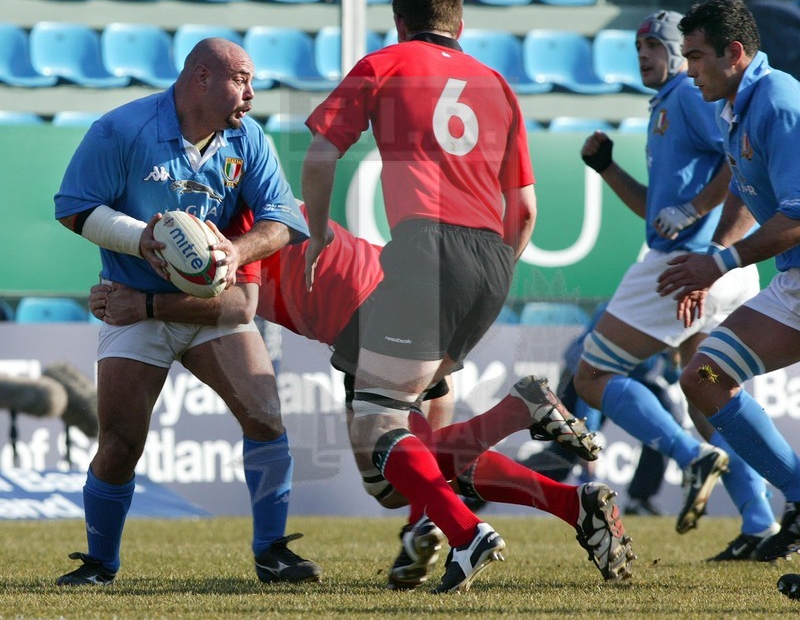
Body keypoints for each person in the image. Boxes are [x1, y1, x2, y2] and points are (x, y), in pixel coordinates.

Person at [300, 0, 634, 593]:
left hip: (425, 255)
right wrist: (492, 269)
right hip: (490, 265)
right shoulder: (498, 84)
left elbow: (320, 154)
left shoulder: (383, 64)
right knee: (400, 459)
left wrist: (317, 235)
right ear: (460, 24)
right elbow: (525, 211)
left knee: (378, 430)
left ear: (399, 22)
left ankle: (480, 498)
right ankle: (572, 502)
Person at [90, 206, 627, 588]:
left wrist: (138, 302)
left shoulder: (226, 227)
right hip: (396, 294)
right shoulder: (257, 203)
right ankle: (570, 503)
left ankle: (515, 418)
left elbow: (227, 304)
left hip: (367, 313)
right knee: (416, 463)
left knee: (386, 477)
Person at [52, 38, 320, 586]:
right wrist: (140, 239)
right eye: (241, 79)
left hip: (211, 311)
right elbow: (74, 207)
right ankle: (100, 563)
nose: (252, 93)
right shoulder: (122, 129)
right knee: (120, 444)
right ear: (201, 77)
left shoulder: (249, 139)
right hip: (132, 310)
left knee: (265, 416)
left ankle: (272, 551)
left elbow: (285, 221)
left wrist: (235, 252)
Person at [575, 9, 778, 559]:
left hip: (688, 268)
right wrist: (608, 169)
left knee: (591, 374)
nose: (644, 55)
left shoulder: (688, 95)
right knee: (707, 391)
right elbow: (656, 214)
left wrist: (695, 211)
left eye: (656, 46)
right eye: (638, 47)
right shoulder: (669, 104)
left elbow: (736, 162)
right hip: (714, 268)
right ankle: (759, 520)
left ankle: (691, 458)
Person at [655, 0, 800, 570]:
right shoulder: (733, 105)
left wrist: (719, 266)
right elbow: (743, 186)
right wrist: (714, 257)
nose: (688, 69)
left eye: (696, 57)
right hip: (794, 280)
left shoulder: (780, 103)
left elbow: (797, 216)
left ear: (734, 53)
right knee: (704, 377)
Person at [521, 303, 685, 518]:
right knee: (564, 457)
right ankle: (491, 482)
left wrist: (674, 362)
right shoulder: (622, 309)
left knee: (668, 418)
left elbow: (670, 377)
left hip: (627, 378)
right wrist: (586, 437)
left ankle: (639, 499)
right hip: (581, 376)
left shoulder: (674, 314)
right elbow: (592, 377)